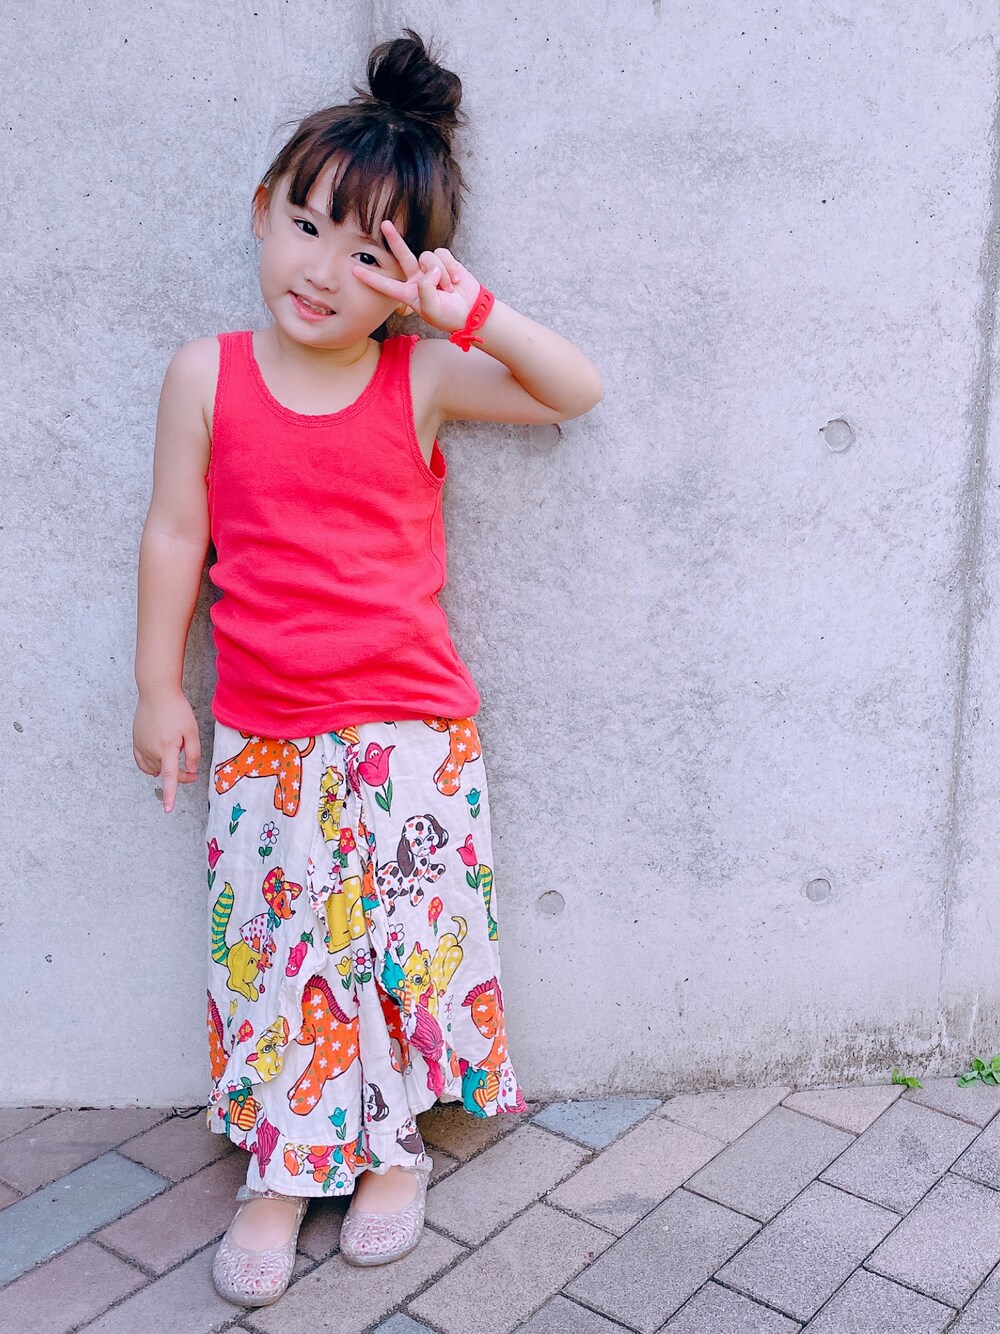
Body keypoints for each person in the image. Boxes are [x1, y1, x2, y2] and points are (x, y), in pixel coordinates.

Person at [132, 28, 602, 1309]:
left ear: (407, 277)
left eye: (366, 252)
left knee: (403, 944)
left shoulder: (423, 373)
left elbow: (572, 391)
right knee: (282, 950)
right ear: (260, 213)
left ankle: (392, 1151)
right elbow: (175, 533)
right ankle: (281, 1170)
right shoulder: (208, 375)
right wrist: (160, 687)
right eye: (305, 226)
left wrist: (466, 312)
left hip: (409, 733)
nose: (322, 269)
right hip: (267, 732)